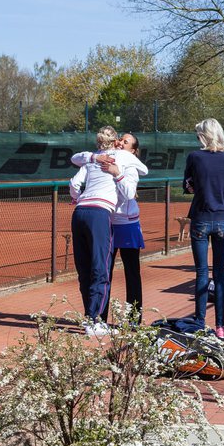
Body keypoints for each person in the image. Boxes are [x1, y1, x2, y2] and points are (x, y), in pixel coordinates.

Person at [70, 132, 149, 323]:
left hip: (127, 223)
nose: (121, 142)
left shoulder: (130, 165)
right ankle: (100, 318)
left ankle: (134, 320)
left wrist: (117, 172)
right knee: (103, 269)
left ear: (133, 150)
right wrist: (96, 158)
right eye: (120, 139)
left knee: (132, 273)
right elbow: (77, 161)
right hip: (106, 221)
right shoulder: (103, 159)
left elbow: (130, 192)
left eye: (126, 141)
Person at [68, 126, 129, 336]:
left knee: (84, 268)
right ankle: (95, 321)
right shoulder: (119, 158)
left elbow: (74, 182)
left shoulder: (91, 160)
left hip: (79, 212)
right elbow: (142, 171)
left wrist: (76, 197)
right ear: (115, 142)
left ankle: (89, 317)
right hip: (99, 213)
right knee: (100, 266)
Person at [183, 118, 224, 338]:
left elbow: (187, 185)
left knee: (202, 272)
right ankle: (221, 326)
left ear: (203, 136)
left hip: (201, 217)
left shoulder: (195, 157)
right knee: (220, 274)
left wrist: (194, 186)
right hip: (222, 217)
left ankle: (200, 321)